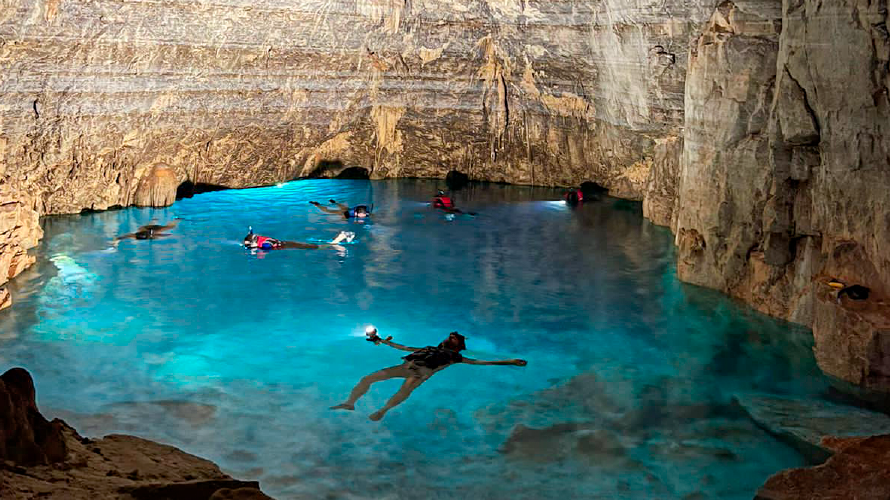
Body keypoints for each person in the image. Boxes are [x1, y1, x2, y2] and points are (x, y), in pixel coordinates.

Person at [331, 329, 527, 421]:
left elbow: (480, 362)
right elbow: (404, 347)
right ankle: (350, 403)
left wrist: (509, 361)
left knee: (404, 390)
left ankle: (383, 411)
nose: (450, 339)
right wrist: (381, 340)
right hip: (406, 367)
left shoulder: (455, 358)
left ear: (458, 346)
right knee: (368, 378)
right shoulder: (429, 348)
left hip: (418, 375)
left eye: (453, 339)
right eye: (449, 337)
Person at [242, 227, 354, 250]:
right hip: (286, 243)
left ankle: (342, 236)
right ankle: (339, 239)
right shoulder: (259, 238)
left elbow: (267, 247)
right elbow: (252, 234)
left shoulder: (263, 244)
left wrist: (256, 248)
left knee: (318, 248)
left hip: (288, 245)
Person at [113, 219, 180, 246]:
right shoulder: (152, 235)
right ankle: (176, 220)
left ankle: (153, 221)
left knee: (167, 227)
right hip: (147, 230)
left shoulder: (136, 235)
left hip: (146, 229)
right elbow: (160, 235)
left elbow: (127, 236)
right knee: (169, 227)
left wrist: (118, 239)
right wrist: (167, 235)